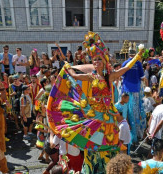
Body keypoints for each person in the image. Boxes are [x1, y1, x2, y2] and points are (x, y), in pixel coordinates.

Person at [46, 32, 145, 174]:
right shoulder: (91, 77)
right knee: (92, 143)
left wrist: (137, 57)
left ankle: (106, 168)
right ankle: (93, 167)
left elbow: (125, 69)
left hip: (107, 116)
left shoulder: (109, 76)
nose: (96, 62)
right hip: (94, 115)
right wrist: (66, 65)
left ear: (104, 61)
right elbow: (74, 75)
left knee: (108, 143)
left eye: (99, 59)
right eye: (94, 60)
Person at [121, 42, 146, 142]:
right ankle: (135, 135)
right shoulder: (138, 63)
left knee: (126, 113)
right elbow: (143, 78)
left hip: (126, 91)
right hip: (136, 91)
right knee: (135, 114)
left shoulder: (124, 63)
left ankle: (126, 135)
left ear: (128, 54)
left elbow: (122, 77)